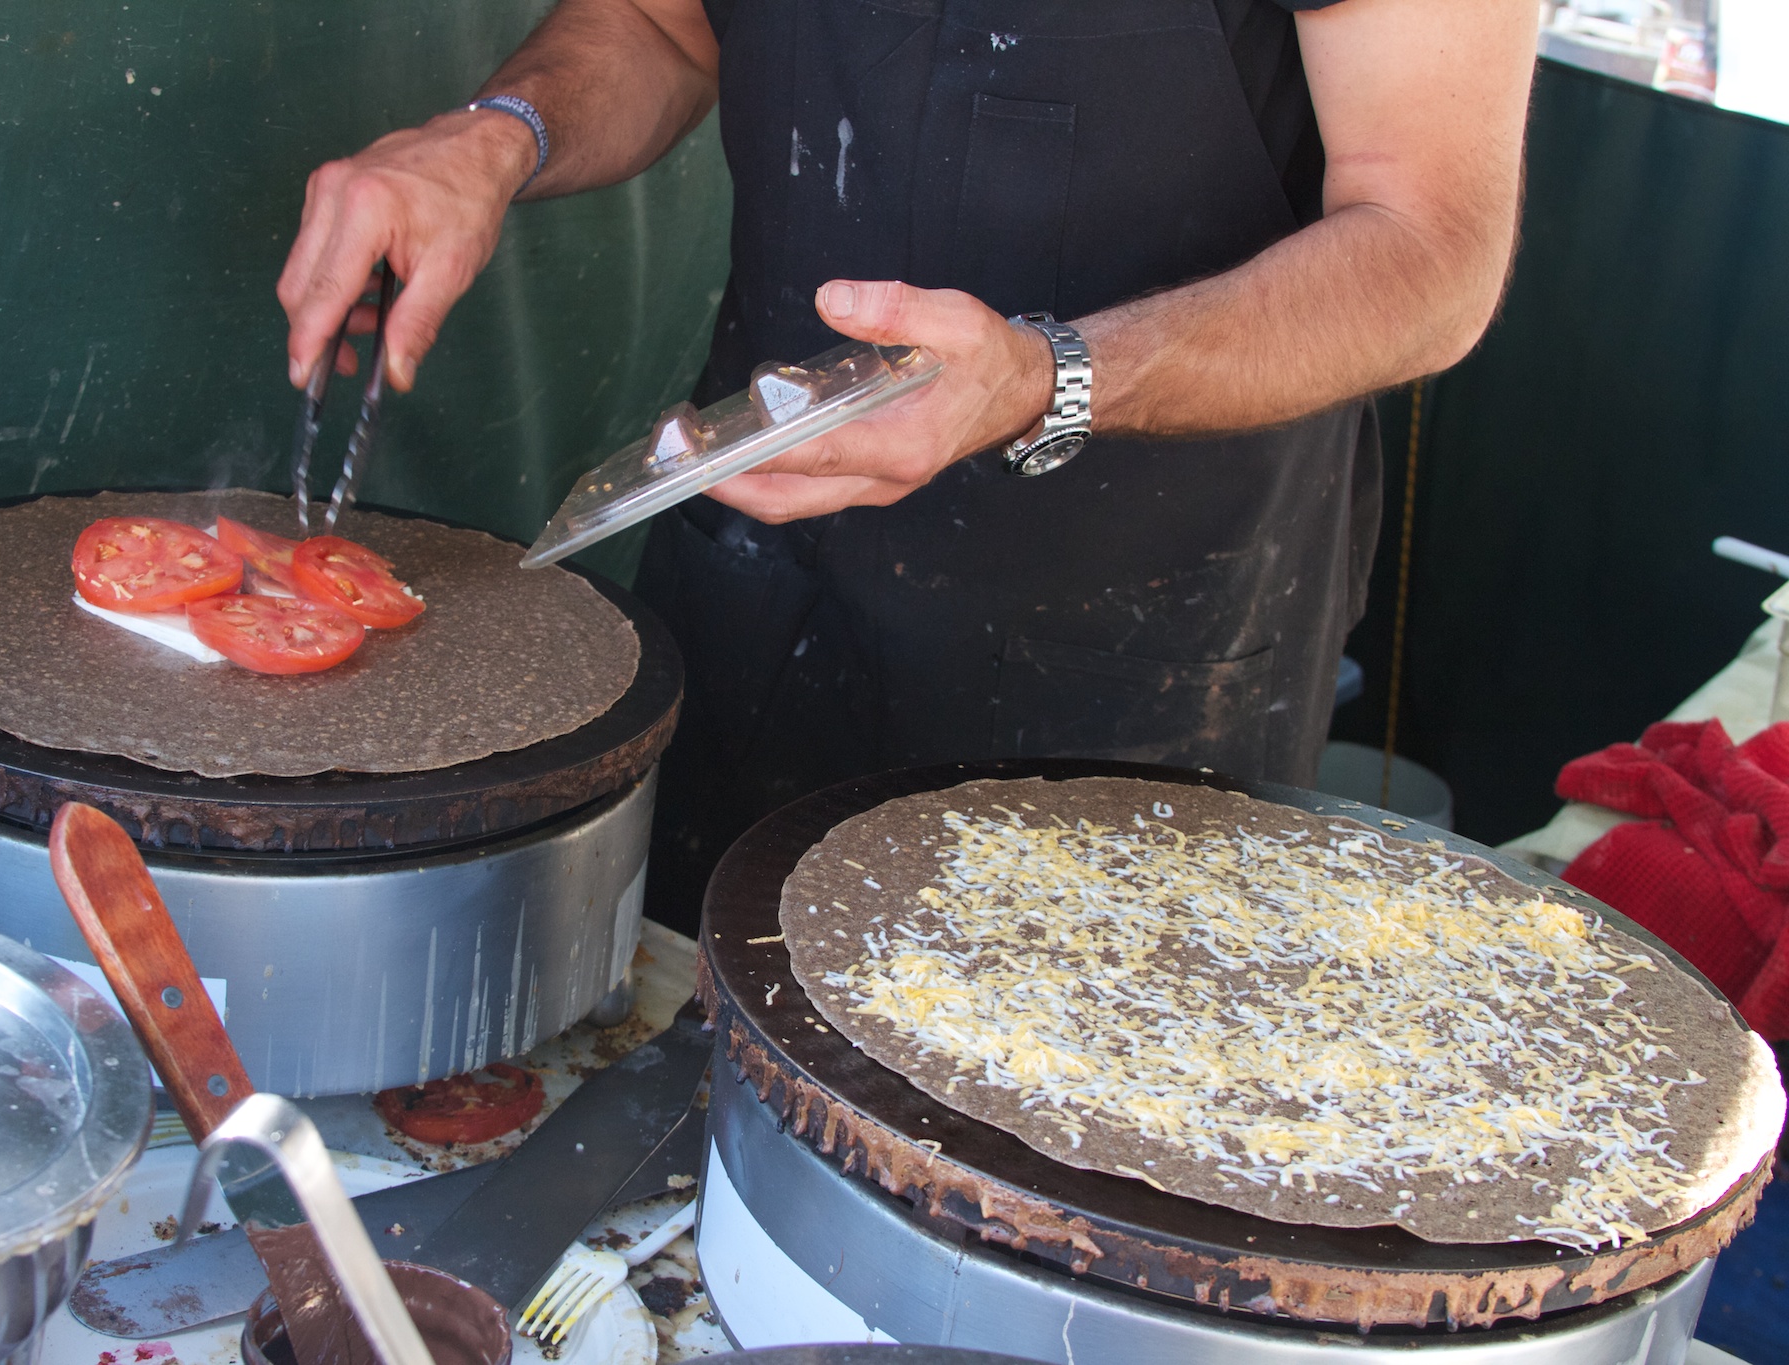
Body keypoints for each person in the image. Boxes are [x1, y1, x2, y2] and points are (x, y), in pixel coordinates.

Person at [277, 0, 1538, 930]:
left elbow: (1429, 246)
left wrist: (1044, 376)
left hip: (1131, 644)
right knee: (673, 1046)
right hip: (757, 584)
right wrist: (499, 135)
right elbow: (661, 26)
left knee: (1025, 1135)